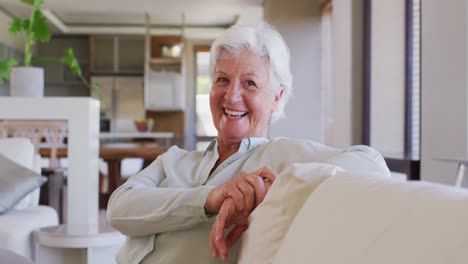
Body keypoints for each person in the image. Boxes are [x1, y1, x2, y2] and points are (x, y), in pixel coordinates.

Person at [107, 21, 389, 264]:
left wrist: (272, 187)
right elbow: (119, 209)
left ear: (277, 97)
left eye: (250, 83)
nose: (231, 96)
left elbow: (371, 166)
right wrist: (212, 198)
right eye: (222, 80)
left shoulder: (282, 155)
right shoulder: (175, 159)